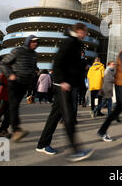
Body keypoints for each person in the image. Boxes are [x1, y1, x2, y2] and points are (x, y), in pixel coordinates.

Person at [36, 23, 94, 162]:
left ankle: (42, 144)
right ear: (78, 31)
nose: (85, 34)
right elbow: (58, 62)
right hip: (62, 85)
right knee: (68, 118)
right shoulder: (69, 42)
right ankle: (75, 151)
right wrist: (62, 81)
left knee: (55, 116)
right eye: (84, 32)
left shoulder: (76, 43)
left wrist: (83, 65)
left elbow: (71, 64)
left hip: (66, 84)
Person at [0, 35, 39, 142]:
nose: (35, 43)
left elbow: (33, 68)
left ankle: (3, 129)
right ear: (27, 42)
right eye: (33, 41)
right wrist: (10, 75)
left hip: (25, 83)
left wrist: (32, 83)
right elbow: (3, 63)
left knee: (13, 106)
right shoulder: (17, 51)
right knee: (13, 106)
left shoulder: (34, 54)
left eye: (36, 42)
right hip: (14, 82)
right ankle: (16, 130)